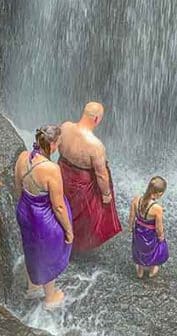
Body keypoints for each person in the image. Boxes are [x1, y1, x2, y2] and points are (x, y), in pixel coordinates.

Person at [14, 124, 73, 309]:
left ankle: (33, 287)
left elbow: (18, 187)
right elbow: (59, 207)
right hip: (43, 218)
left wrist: (25, 209)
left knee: (31, 247)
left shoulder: (23, 157)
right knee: (49, 253)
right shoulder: (51, 169)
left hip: (25, 210)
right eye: (59, 142)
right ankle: (50, 298)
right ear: (53, 145)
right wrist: (69, 231)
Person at [57, 102, 122, 252]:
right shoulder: (95, 146)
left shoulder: (65, 127)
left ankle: (59, 239)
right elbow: (101, 175)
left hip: (61, 173)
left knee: (61, 206)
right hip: (82, 184)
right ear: (97, 119)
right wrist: (106, 195)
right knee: (82, 216)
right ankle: (76, 244)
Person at [128, 176, 169, 278]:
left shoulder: (136, 199)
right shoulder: (157, 208)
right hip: (150, 234)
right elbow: (159, 227)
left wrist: (131, 229)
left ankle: (140, 271)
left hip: (138, 231)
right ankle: (152, 271)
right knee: (155, 250)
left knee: (140, 249)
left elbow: (131, 218)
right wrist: (161, 237)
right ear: (159, 193)